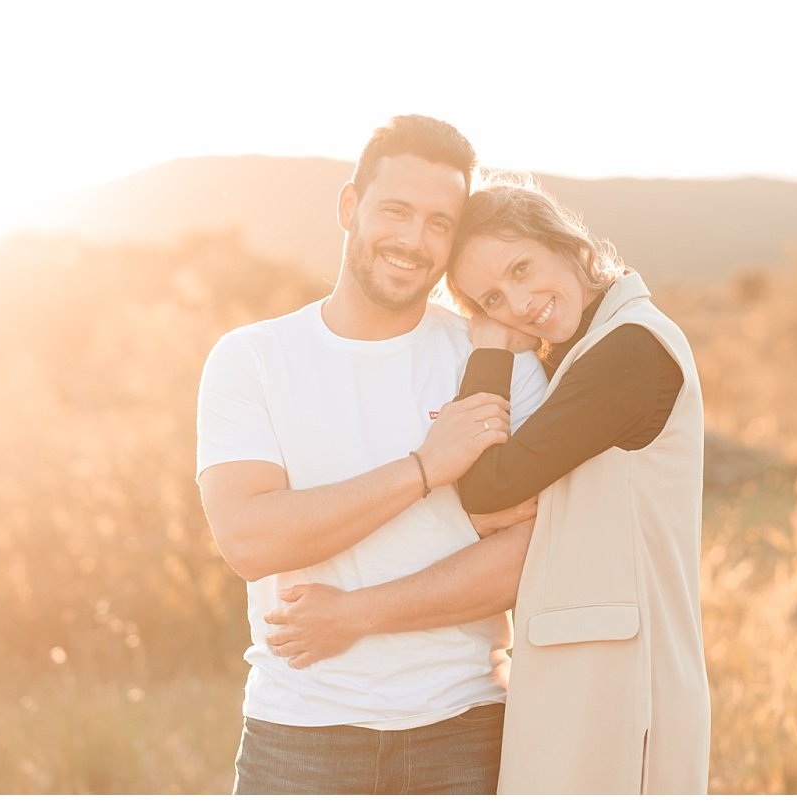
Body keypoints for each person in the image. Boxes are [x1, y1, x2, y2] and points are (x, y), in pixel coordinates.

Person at [263, 177, 711, 794]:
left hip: (623, 668)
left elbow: (487, 487)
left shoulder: (630, 348)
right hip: (592, 660)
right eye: (493, 299)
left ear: (569, 243)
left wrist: (491, 348)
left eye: (522, 269)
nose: (522, 303)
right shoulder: (598, 345)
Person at [195, 116, 549, 795]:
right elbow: (248, 538)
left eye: (440, 223)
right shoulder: (253, 359)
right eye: (396, 211)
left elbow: (532, 554)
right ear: (348, 206)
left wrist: (355, 613)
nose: (415, 241)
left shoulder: (497, 361)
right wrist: (423, 470)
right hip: (297, 736)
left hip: (464, 728)